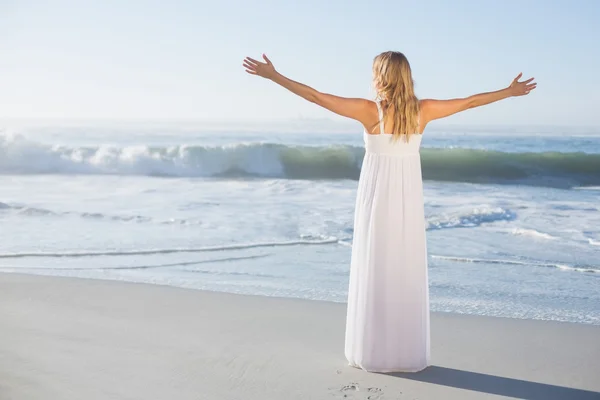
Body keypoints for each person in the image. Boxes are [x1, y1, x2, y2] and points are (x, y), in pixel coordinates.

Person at [242, 51, 536, 373]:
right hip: (407, 198)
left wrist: (275, 76)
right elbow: (469, 103)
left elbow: (316, 97)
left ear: (381, 76)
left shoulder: (370, 112)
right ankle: (403, 353)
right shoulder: (423, 112)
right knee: (404, 268)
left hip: (377, 197)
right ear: (406, 76)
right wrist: (508, 92)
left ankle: (374, 350)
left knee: (376, 265)